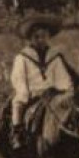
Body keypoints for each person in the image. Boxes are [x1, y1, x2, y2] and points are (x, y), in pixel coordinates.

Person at [8, 12, 75, 147]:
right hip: (33, 93)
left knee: (69, 106)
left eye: (43, 36)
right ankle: (18, 132)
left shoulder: (54, 57)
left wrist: (65, 89)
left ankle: (73, 132)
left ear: (48, 37)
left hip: (52, 93)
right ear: (30, 39)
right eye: (36, 37)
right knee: (18, 103)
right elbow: (19, 78)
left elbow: (63, 77)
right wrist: (26, 92)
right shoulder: (23, 58)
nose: (40, 40)